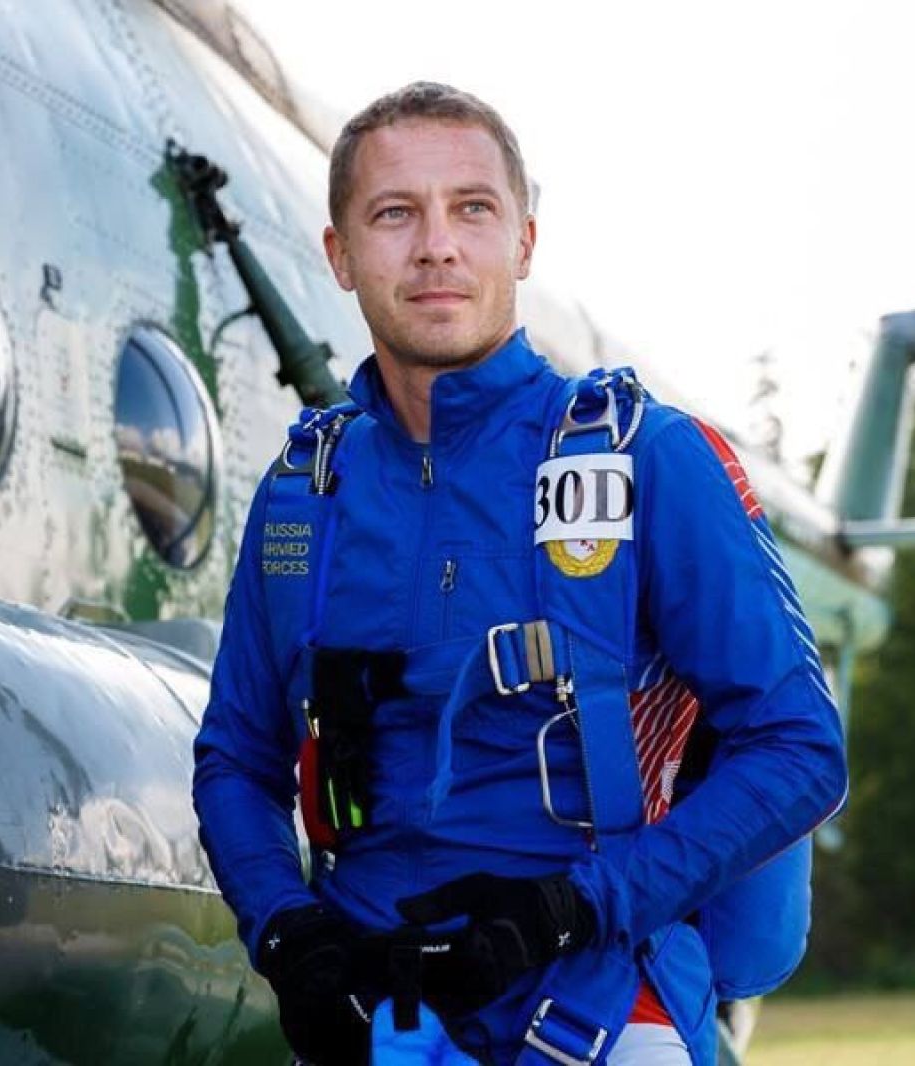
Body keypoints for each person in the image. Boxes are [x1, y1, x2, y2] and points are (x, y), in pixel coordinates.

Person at [192, 82, 847, 1065]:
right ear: (339, 254)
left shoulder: (647, 459)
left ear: (524, 242)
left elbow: (799, 746)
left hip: (597, 998)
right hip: (377, 1017)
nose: (436, 247)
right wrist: (287, 930)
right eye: (394, 214)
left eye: (472, 209)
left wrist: (569, 910)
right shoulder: (302, 495)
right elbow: (237, 759)